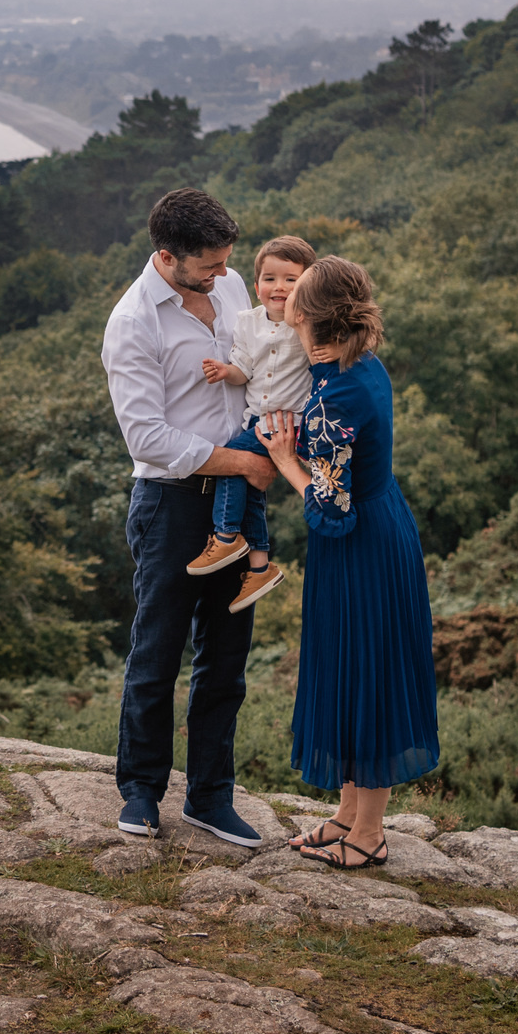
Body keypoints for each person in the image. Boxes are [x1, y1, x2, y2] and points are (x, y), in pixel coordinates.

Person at [99, 187, 276, 847]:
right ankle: (141, 792)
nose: (224, 275)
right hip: (171, 506)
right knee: (157, 653)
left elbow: (257, 365)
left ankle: (210, 797)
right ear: (167, 256)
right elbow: (146, 438)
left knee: (225, 661)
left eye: (227, 260)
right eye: (209, 264)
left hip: (240, 500)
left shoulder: (229, 291)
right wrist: (242, 464)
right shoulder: (134, 322)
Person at [259, 255, 439, 869]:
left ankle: (369, 836)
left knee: (369, 673)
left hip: (359, 543)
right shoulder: (355, 364)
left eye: (293, 295)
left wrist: (285, 456)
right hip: (380, 525)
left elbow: (331, 507)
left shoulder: (340, 396)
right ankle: (345, 816)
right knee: (351, 666)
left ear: (307, 316)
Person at [188, 235, 317, 612]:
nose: (279, 288)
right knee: (251, 486)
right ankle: (259, 565)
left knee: (230, 461)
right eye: (270, 278)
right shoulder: (246, 323)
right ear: (256, 283)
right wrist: (224, 370)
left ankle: (226, 535)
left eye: (291, 279)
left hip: (288, 423)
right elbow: (244, 369)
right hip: (256, 421)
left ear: (308, 284)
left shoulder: (309, 324)